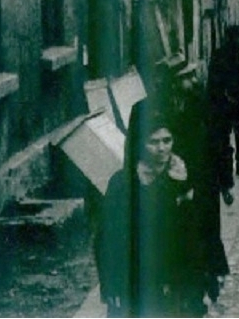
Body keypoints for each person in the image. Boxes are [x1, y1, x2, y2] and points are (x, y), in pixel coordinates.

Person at [94, 102, 214, 317]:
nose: (162, 149)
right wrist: (111, 287)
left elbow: (201, 231)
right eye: (153, 142)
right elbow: (106, 240)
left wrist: (208, 276)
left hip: (179, 281)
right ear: (139, 144)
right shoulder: (123, 185)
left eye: (167, 140)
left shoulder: (184, 178)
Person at [160, 65, 231, 299]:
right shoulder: (166, 106)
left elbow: (221, 147)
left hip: (205, 179)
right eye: (184, 77)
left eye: (191, 76)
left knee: (207, 227)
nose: (190, 80)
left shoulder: (205, 107)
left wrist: (226, 183)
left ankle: (210, 276)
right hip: (177, 178)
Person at [208, 25, 239, 177]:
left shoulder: (219, 54)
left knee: (224, 136)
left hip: (223, 102)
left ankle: (228, 166)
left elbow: (212, 80)